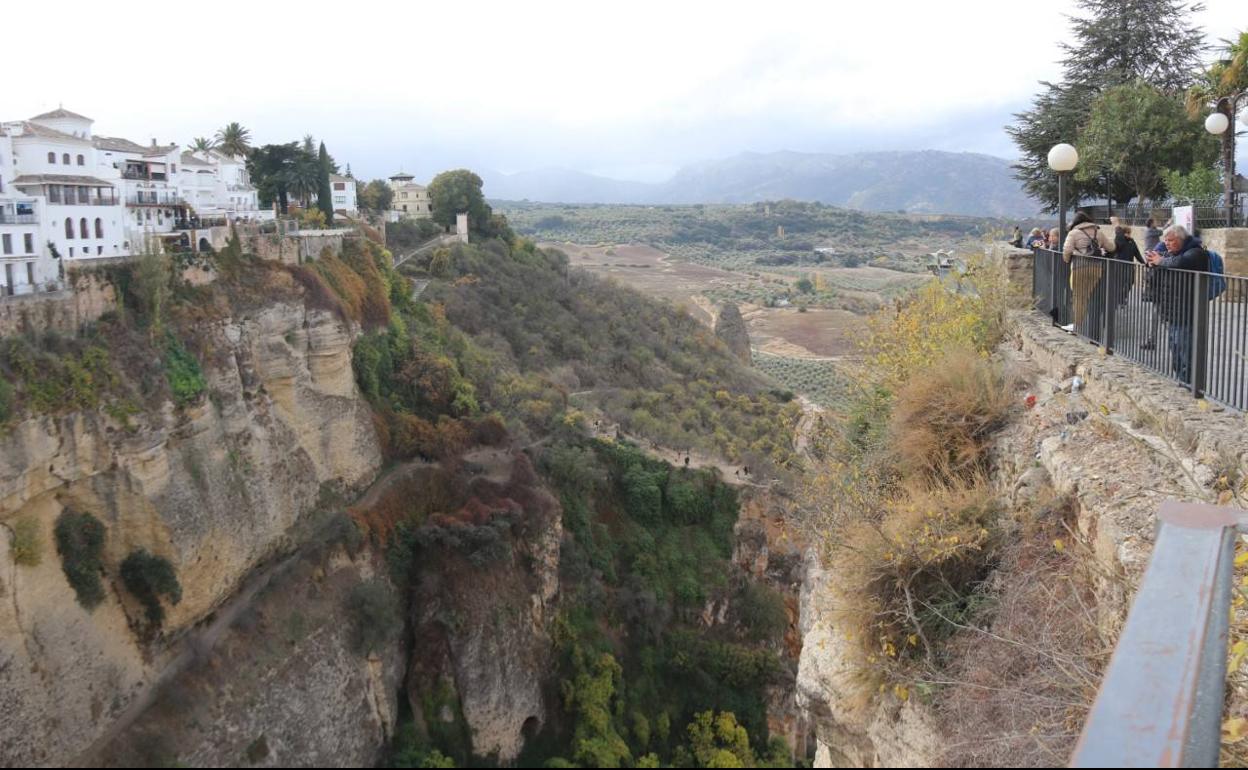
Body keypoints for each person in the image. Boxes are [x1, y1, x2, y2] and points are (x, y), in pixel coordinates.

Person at [1145, 224, 1209, 383]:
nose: (1166, 243)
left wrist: (1160, 261)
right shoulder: (1171, 255)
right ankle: (1182, 384)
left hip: (1187, 313)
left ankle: (1190, 388)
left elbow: (1181, 263)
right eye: (1165, 240)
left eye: (1171, 240)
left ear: (1181, 239)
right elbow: (1154, 277)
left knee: (1187, 356)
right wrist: (1152, 263)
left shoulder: (1196, 252)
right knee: (1176, 356)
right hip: (1173, 314)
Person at [1061, 212, 1116, 334]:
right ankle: (1089, 327)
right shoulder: (1098, 232)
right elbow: (1111, 247)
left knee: (1078, 296)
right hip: (1096, 268)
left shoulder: (1073, 233)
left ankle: (1077, 325)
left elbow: (1067, 250)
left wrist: (1067, 260)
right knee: (1089, 296)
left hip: (1079, 267)